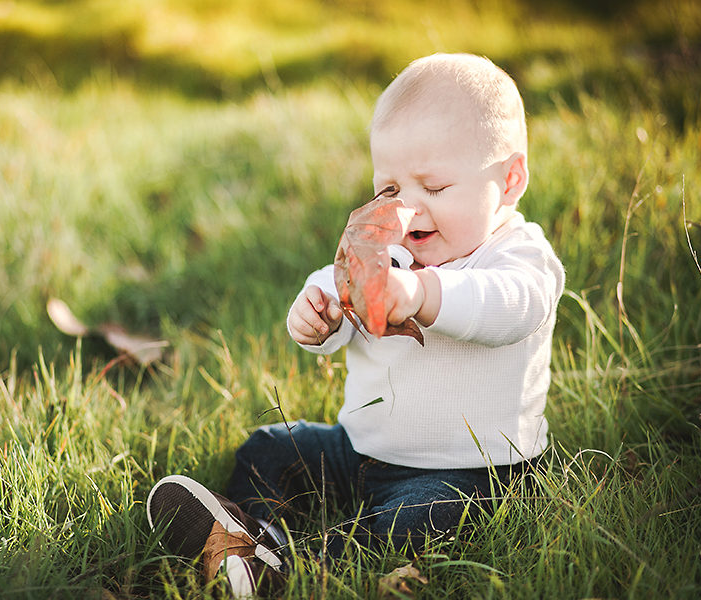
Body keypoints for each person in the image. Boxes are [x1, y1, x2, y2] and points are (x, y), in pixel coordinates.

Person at [147, 52, 565, 597]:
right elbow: (337, 280)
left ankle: (288, 571)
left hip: (471, 474)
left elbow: (511, 306)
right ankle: (246, 535)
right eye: (389, 190)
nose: (407, 211)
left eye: (434, 189)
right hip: (361, 451)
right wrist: (320, 311)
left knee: (414, 522)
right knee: (271, 447)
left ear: (508, 181)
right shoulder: (388, 249)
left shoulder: (519, 257)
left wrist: (422, 294)